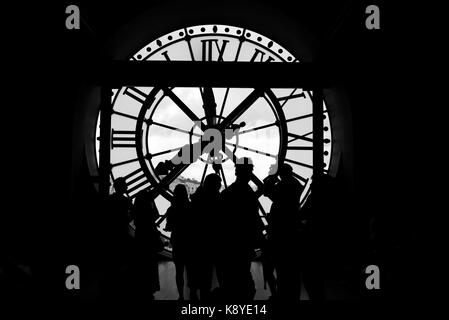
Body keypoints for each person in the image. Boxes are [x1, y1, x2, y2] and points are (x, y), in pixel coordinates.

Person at [219, 157, 265, 301]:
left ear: (236, 172)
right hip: (245, 242)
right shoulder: (248, 193)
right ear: (249, 172)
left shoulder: (228, 193)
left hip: (231, 243)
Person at [263, 163, 304, 301]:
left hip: (280, 232)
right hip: (288, 230)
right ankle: (287, 296)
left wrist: (269, 181)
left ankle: (281, 295)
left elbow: (270, 193)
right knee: (288, 270)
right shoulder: (294, 184)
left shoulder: (285, 185)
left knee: (281, 269)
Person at [190, 173, 222, 301]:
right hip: (216, 242)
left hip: (200, 244)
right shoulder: (218, 200)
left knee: (204, 276)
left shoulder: (197, 200)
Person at [130, 188, 163, 300]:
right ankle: (149, 287)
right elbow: (156, 215)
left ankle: (141, 287)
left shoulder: (138, 208)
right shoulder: (150, 205)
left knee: (142, 263)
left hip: (141, 237)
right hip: (150, 237)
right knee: (150, 263)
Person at [165, 184, 194, 300]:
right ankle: (192, 293)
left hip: (177, 241)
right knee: (191, 270)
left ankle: (181, 295)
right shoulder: (191, 207)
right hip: (189, 241)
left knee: (179, 271)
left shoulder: (171, 209)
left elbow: (170, 226)